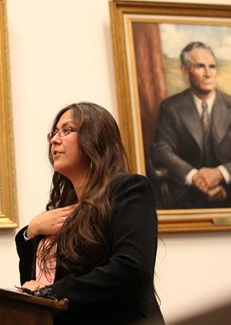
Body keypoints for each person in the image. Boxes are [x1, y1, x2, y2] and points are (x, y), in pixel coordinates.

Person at [15, 103, 164, 325]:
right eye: (54, 132)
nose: (54, 140)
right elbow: (32, 283)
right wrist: (30, 232)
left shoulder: (129, 189)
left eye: (67, 130)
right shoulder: (60, 209)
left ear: (95, 139)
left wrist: (49, 293)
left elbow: (130, 267)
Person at [150, 41, 231, 209]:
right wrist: (195, 177)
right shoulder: (171, 107)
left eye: (212, 67)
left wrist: (220, 174)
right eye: (200, 66)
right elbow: (161, 150)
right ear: (185, 71)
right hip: (186, 195)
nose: (208, 73)